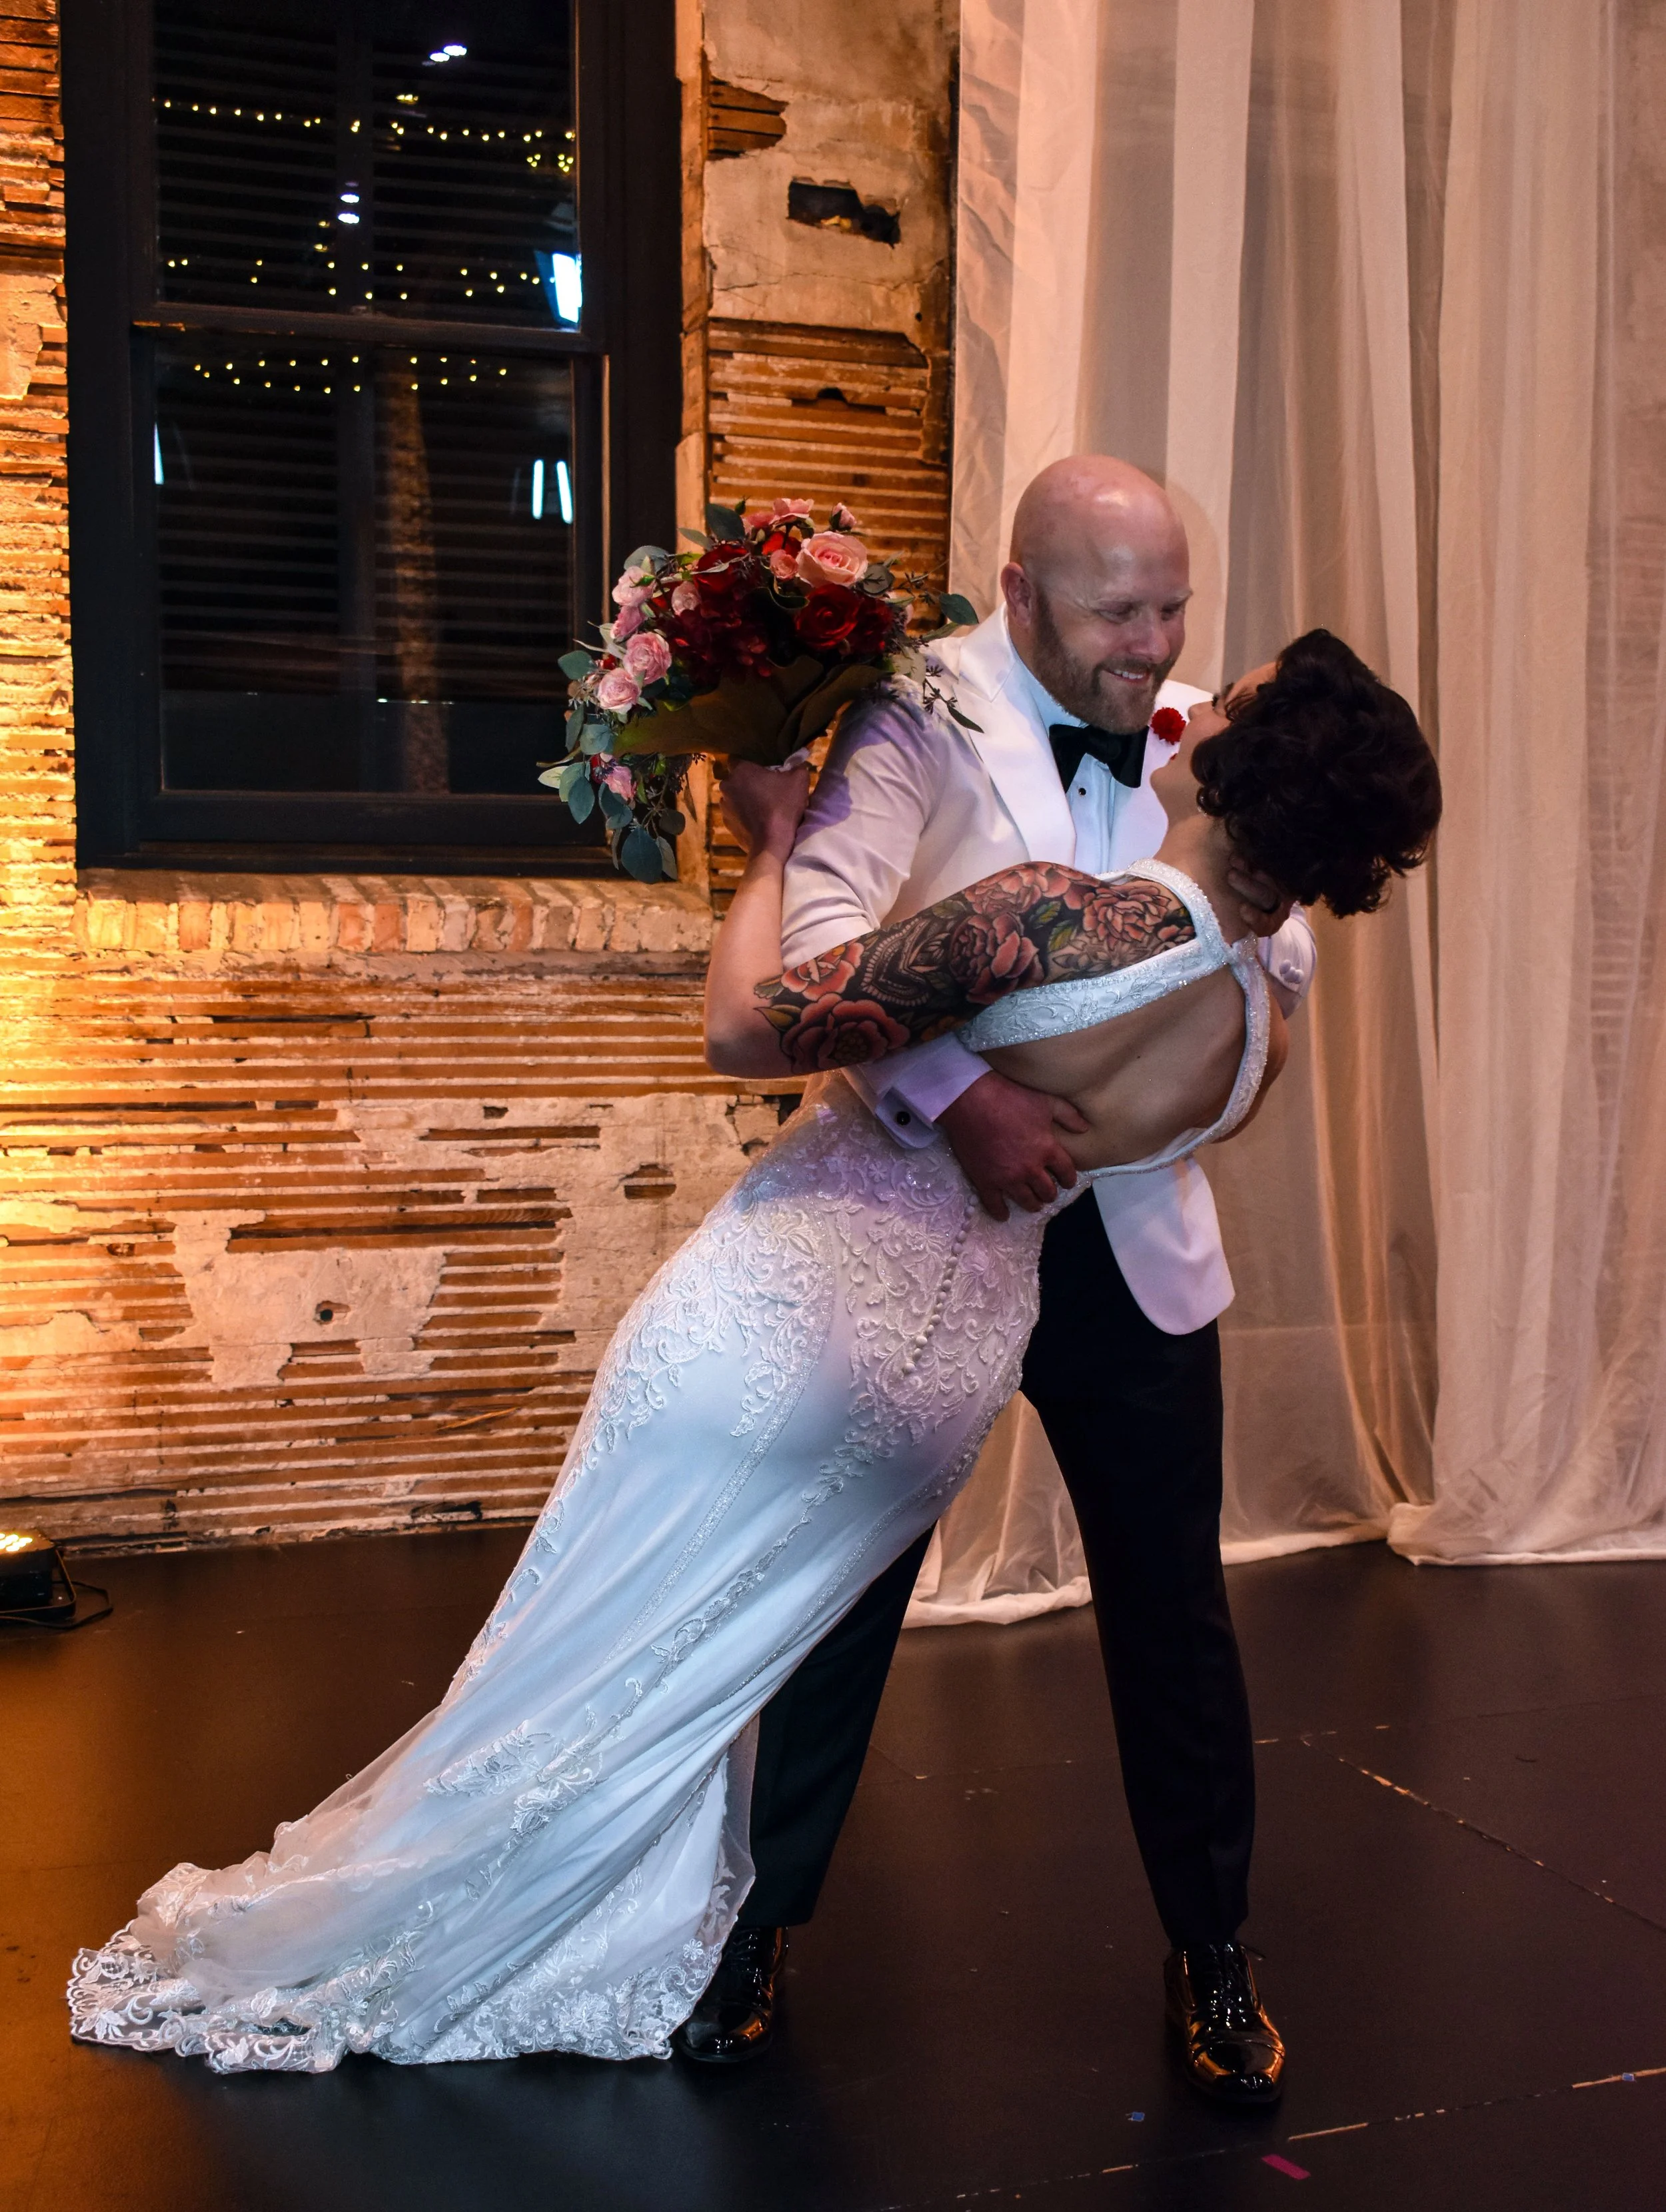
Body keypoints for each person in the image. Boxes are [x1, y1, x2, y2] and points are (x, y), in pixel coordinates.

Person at [67, 622, 1437, 2083]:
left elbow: (745, 1024)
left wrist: (770, 843)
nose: (1178, 696)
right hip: (958, 1334)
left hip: (817, 1303)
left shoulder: (1053, 913)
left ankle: (479, 1887)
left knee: (634, 1612)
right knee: (767, 1629)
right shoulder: (1253, 1032)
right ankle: (739, 1920)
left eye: (1217, 702)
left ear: (1235, 768)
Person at [675, 456, 1328, 2106]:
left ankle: (1212, 1944)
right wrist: (956, 1102)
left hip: (1129, 1244)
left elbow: (1284, 944)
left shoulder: (1197, 724)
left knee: (1172, 1616)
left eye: (1172, 603)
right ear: (1020, 592)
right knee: (843, 1591)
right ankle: (757, 1926)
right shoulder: (917, 718)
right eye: (1119, 610)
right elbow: (818, 942)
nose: (1155, 643)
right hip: (928, 1229)